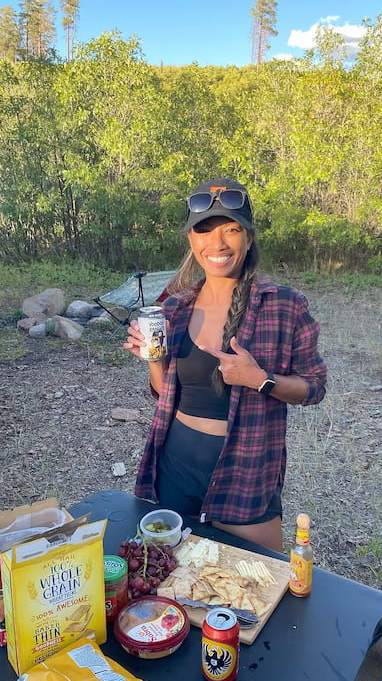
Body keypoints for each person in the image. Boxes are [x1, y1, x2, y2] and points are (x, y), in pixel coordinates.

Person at [123, 178, 327, 551]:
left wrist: (261, 379)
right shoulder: (175, 307)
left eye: (230, 230)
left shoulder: (284, 305)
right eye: (204, 231)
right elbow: (165, 393)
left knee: (256, 575)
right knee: (171, 572)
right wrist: (154, 359)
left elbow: (314, 387)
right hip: (175, 463)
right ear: (191, 239)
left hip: (246, 468)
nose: (217, 243)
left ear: (249, 237)